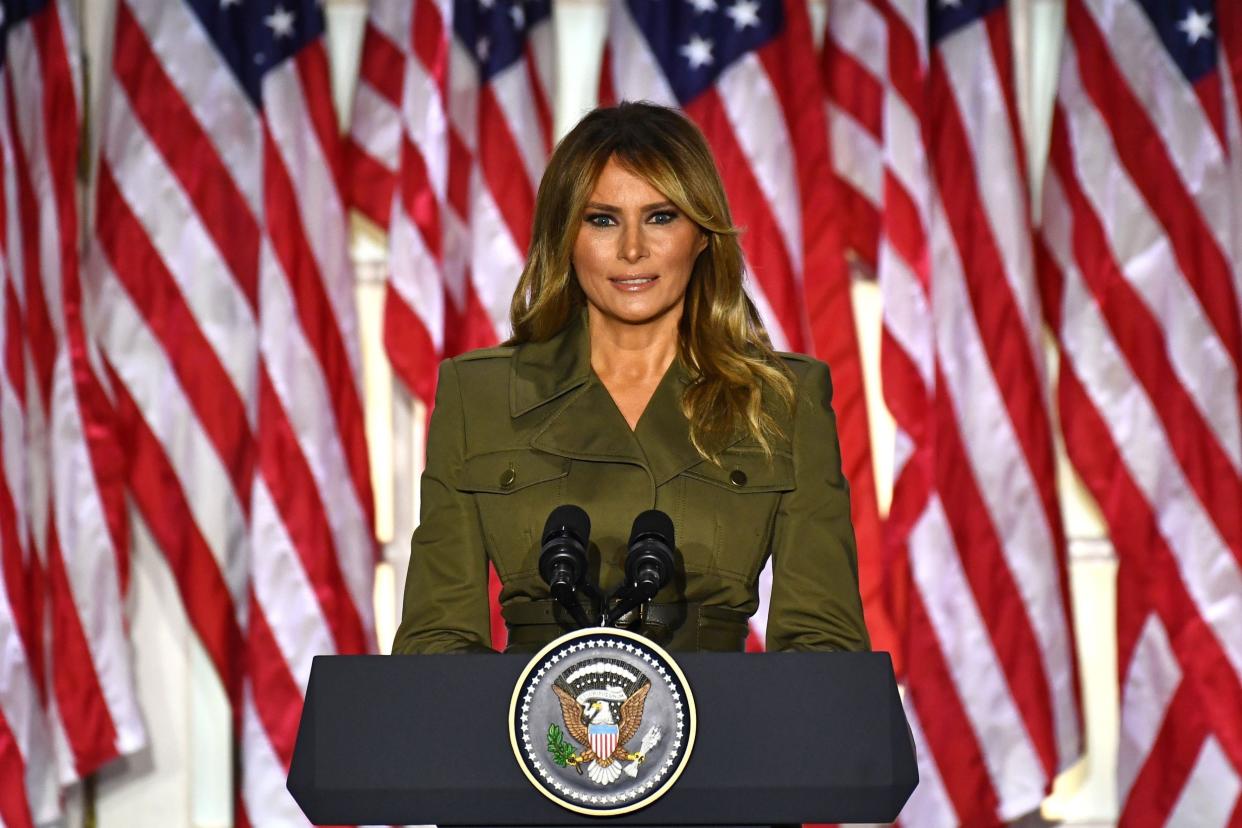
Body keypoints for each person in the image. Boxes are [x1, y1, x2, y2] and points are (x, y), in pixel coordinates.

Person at [392, 101, 869, 655]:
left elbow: (824, 646)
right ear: (564, 237)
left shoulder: (784, 399)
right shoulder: (478, 395)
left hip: (725, 725)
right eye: (602, 220)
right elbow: (436, 641)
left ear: (702, 235)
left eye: (661, 216)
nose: (632, 250)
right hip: (527, 729)